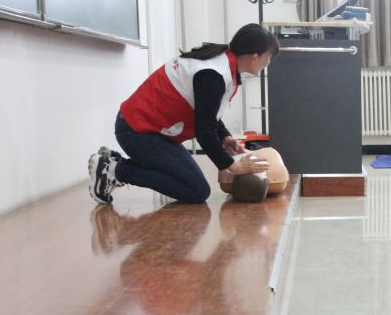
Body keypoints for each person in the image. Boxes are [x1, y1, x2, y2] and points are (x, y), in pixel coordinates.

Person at [89, 23, 278, 204]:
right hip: (136, 131)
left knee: (193, 185)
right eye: (268, 57)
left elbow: (207, 113)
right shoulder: (213, 74)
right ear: (255, 56)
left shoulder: (222, 64)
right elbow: (204, 132)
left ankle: (113, 164)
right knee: (196, 190)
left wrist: (225, 138)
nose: (268, 63)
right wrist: (232, 165)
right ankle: (113, 170)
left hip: (150, 131)